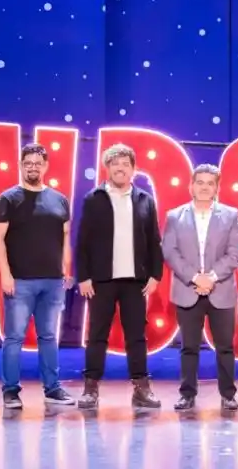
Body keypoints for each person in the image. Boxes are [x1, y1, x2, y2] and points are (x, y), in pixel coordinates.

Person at [75, 143, 163, 409]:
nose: (120, 168)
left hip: (135, 281)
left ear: (133, 169)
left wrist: (155, 274)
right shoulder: (94, 198)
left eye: (126, 164)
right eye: (115, 164)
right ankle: (90, 388)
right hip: (101, 280)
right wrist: (84, 277)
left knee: (136, 336)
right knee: (97, 334)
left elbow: (154, 240)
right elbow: (83, 241)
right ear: (108, 168)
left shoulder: (145, 199)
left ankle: (141, 388)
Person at [0, 143, 75, 409]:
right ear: (20, 165)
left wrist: (67, 269)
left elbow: (65, 237)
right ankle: (11, 391)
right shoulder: (8, 199)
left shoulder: (59, 200)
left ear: (45, 166)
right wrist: (5, 274)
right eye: (28, 163)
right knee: (14, 337)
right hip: (20, 281)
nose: (33, 167)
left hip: (52, 282)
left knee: (48, 336)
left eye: (37, 163)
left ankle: (52, 388)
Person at [162, 164, 238, 411]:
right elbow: (170, 252)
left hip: (221, 290)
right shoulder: (175, 216)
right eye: (200, 182)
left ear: (217, 187)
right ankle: (187, 394)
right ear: (191, 186)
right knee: (189, 347)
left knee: (225, 347)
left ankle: (228, 394)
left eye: (210, 183)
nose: (205, 187)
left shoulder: (231, 215)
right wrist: (196, 278)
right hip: (188, 290)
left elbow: (235, 253)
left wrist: (211, 277)